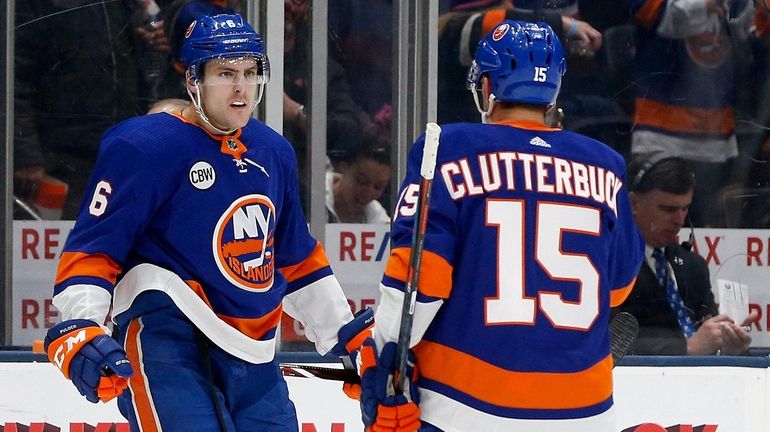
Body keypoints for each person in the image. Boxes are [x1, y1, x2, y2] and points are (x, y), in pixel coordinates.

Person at [43, 13, 372, 431]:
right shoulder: (144, 147)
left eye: (251, 72)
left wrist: (345, 333)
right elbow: (95, 248)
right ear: (193, 81)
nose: (241, 87)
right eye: (225, 73)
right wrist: (83, 326)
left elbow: (294, 257)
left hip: (255, 351)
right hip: (168, 338)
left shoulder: (273, 151)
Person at [358, 20, 644, 432]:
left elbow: (419, 285)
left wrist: (382, 363)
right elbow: (617, 288)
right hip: (585, 410)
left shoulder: (448, 149)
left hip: (466, 405)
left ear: (488, 89)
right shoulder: (606, 165)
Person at [14, 0, 155, 219]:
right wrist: (24, 154)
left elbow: (141, 71)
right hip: (64, 157)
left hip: (125, 153)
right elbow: (14, 76)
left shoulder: (124, 5)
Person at [622, 0, 756, 226]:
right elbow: (661, 17)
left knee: (706, 229)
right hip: (660, 128)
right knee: (657, 226)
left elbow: (745, 32)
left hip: (714, 130)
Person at [613, 153, 758, 355]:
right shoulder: (611, 263)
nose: (680, 220)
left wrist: (729, 347)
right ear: (634, 204)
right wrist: (687, 348)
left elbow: (708, 337)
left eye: (685, 208)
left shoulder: (693, 266)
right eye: (668, 209)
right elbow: (607, 343)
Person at [326, 128, 392, 224]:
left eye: (378, 187)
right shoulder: (306, 201)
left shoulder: (379, 219)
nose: (368, 192)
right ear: (343, 167)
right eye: (362, 181)